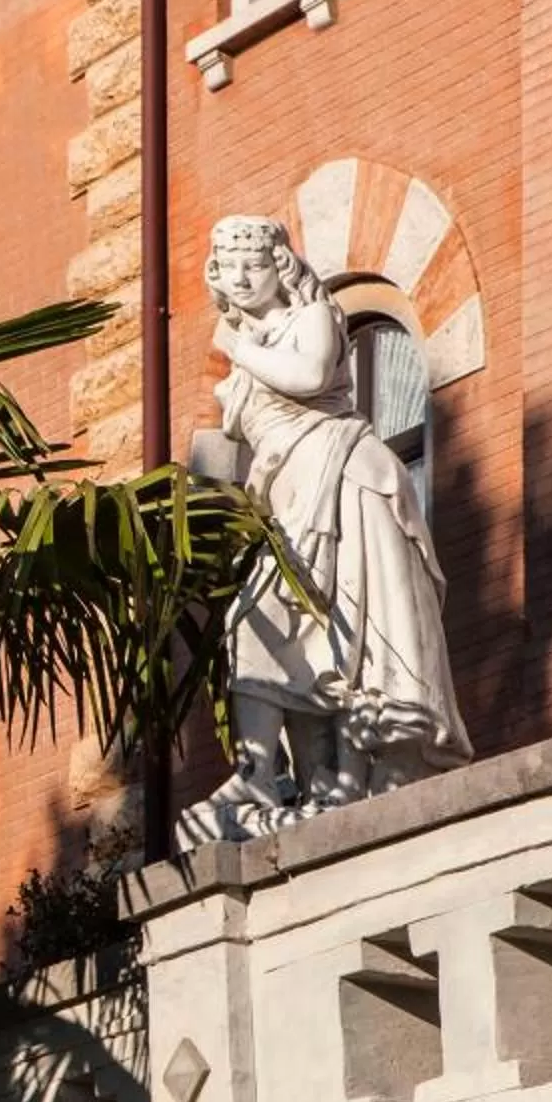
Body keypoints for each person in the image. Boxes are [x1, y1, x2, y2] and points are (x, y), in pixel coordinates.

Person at [190, 214, 470, 840]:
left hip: (345, 480)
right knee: (253, 625)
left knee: (355, 627)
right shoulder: (253, 351)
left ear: (280, 268)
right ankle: (261, 772)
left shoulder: (310, 318)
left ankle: (363, 760)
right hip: (285, 502)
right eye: (227, 265)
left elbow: (312, 378)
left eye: (253, 264)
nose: (239, 276)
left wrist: (238, 348)